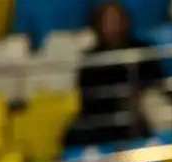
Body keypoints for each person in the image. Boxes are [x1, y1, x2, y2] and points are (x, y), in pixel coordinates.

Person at [64, 2, 163, 148]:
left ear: (125, 22)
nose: (113, 26)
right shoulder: (91, 58)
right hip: (105, 116)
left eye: (116, 20)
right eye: (108, 21)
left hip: (140, 108)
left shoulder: (142, 50)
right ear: (98, 25)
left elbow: (156, 81)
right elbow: (87, 98)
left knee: (155, 105)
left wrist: (137, 96)